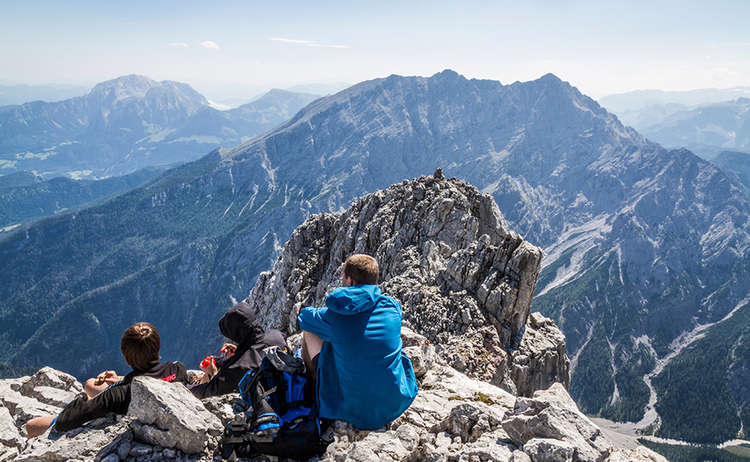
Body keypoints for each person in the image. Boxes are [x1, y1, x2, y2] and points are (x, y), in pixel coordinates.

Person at [297, 254, 418, 430]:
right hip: (394, 402)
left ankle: (316, 388)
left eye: (343, 276)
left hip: (359, 412)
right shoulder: (392, 307)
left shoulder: (334, 317)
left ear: (350, 280)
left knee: (310, 332)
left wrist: (327, 316)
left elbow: (304, 317)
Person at [25, 322, 188, 437]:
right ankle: (91, 391)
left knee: (31, 426)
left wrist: (83, 399)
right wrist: (120, 380)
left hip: (123, 403)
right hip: (142, 393)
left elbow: (65, 422)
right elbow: (153, 379)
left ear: (126, 358)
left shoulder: (118, 394)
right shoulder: (178, 369)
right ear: (157, 347)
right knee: (90, 383)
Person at [189, 301, 286, 399]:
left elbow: (210, 391)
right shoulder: (277, 336)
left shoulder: (238, 366)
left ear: (238, 334)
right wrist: (240, 351)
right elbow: (258, 350)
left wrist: (212, 374)